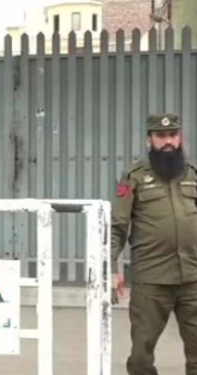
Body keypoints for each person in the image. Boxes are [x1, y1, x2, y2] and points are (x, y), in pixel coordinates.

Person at [111, 113, 197, 375]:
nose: (168, 141)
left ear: (180, 137)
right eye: (161, 136)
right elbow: (118, 225)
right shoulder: (135, 175)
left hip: (193, 278)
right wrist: (111, 267)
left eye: (173, 135)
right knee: (140, 357)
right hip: (152, 280)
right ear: (150, 141)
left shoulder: (192, 173)